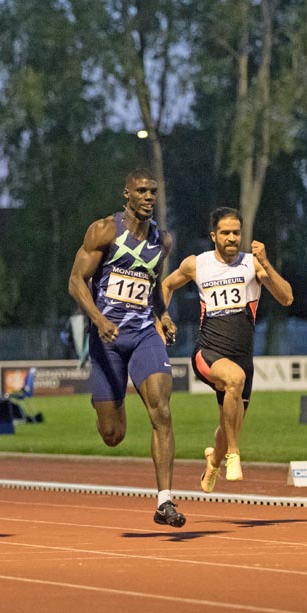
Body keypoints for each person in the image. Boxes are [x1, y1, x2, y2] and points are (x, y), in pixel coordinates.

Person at [67, 168, 185, 528]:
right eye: (142, 191)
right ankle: (114, 397)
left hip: (144, 336)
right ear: (127, 195)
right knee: (113, 435)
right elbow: (76, 282)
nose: (149, 197)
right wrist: (99, 321)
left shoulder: (162, 242)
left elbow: (151, 288)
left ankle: (165, 501)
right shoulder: (104, 231)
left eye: (153, 191)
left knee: (161, 411)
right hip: (107, 340)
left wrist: (162, 315)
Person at [161, 207, 293, 492]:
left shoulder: (252, 265)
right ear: (214, 236)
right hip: (207, 352)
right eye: (225, 233)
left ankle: (214, 460)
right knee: (234, 380)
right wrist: (163, 317)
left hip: (242, 358)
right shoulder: (197, 264)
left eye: (236, 233)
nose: (232, 238)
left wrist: (267, 264)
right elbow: (166, 285)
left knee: (229, 420)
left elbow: (286, 298)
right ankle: (234, 453)